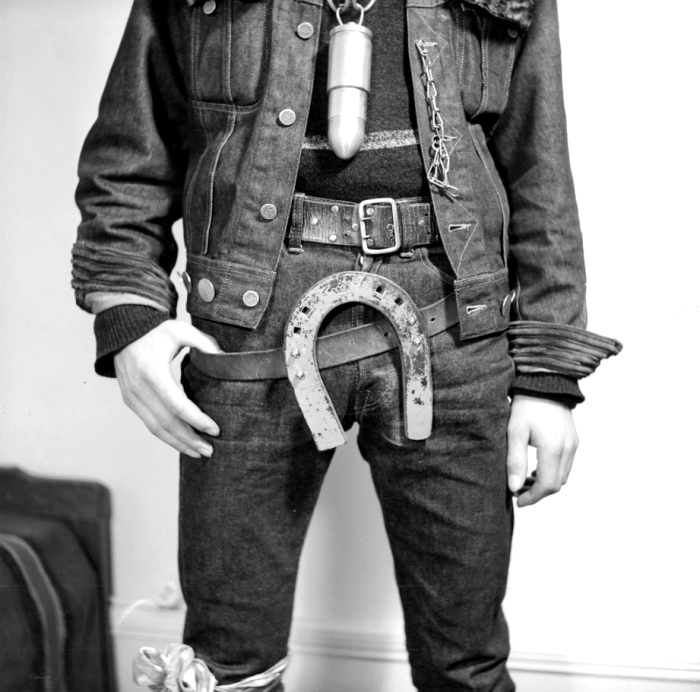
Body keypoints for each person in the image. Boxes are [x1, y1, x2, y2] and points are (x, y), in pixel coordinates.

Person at [72, 0, 621, 689]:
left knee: (467, 668)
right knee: (228, 667)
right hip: (249, 320)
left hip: (456, 324)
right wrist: (128, 315)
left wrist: (548, 374)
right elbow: (130, 156)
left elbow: (541, 165)